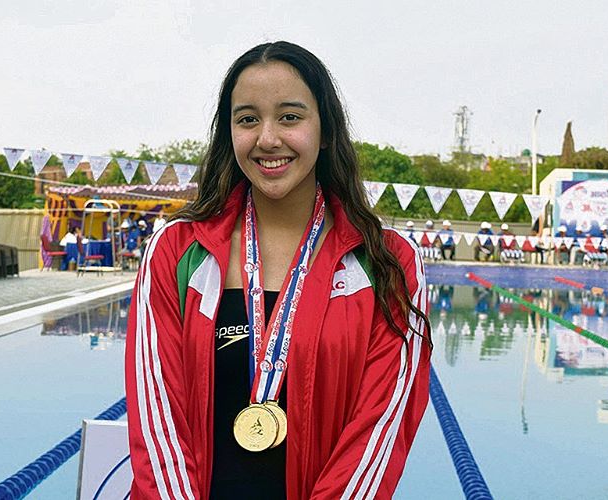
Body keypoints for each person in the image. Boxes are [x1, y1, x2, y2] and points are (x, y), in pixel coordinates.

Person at [124, 41, 432, 499]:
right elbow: (157, 420)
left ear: (325, 130)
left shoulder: (389, 262)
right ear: (230, 133)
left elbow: (379, 433)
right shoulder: (176, 251)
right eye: (248, 119)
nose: (267, 138)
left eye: (290, 116)